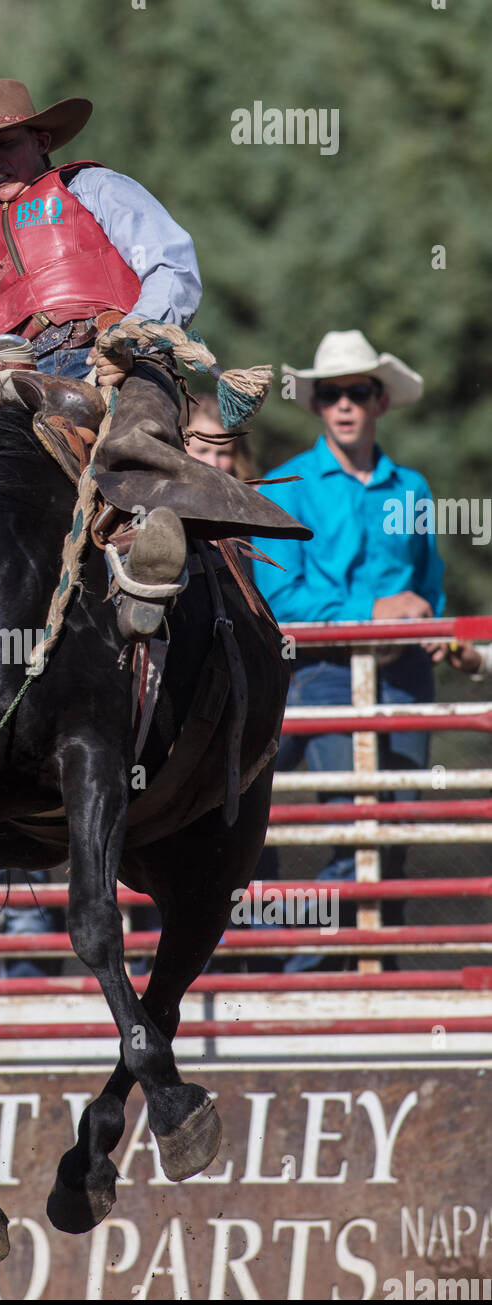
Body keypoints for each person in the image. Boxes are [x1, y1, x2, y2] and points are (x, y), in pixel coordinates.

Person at [0, 79, 309, 638]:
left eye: (4, 144)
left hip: (111, 355)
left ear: (41, 138)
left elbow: (171, 266)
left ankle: (145, 547)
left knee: (136, 425)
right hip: (10, 381)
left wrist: (132, 339)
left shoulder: (94, 188)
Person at [253, 330, 446, 968]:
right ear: (315, 405)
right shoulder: (287, 486)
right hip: (325, 671)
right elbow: (280, 600)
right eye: (331, 393)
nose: (344, 404)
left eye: (356, 392)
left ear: (379, 401)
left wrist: (435, 631)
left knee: (396, 827)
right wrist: (375, 612)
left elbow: (429, 588)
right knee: (351, 823)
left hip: (406, 671)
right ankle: (309, 971)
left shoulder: (411, 489)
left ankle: (374, 969)